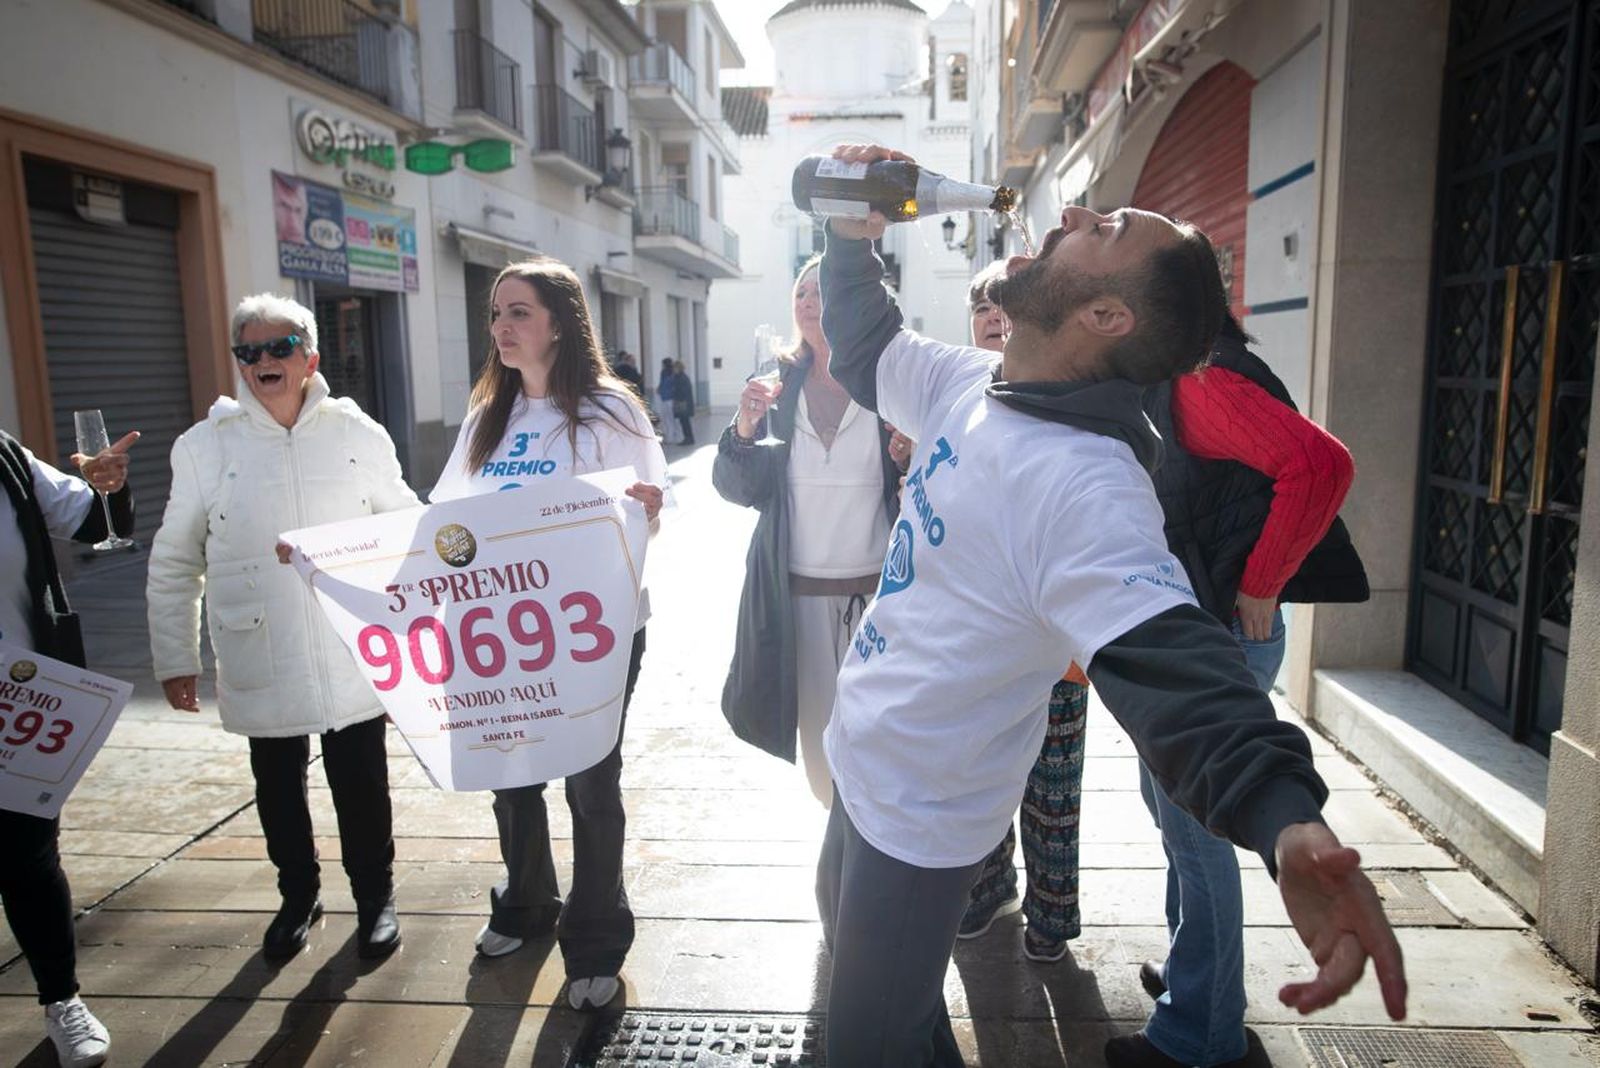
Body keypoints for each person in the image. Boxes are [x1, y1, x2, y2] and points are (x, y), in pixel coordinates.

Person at [814, 143, 1406, 1067]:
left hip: (921, 813)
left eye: (1108, 228)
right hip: (859, 764)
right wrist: (852, 238)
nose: (1076, 215)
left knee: (864, 1047)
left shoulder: (1087, 485)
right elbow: (866, 346)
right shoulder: (973, 382)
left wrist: (1284, 814)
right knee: (897, 1015)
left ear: (1103, 316)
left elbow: (1176, 666)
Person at [1118, 311, 1368, 1068]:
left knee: (1197, 842)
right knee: (1175, 823)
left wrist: (1263, 583)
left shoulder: (1200, 378)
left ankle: (1201, 1036)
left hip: (1223, 633)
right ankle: (1194, 976)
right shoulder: (1179, 371)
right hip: (1202, 632)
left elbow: (1321, 466)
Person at [148, 294, 419, 966]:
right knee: (277, 788)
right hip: (259, 645)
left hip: (348, 644)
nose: (264, 360)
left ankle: (375, 899)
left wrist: (416, 638)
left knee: (362, 783)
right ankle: (298, 897)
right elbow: (176, 558)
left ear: (310, 358)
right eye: (249, 350)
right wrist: (175, 656)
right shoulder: (204, 447)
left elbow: (406, 529)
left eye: (280, 346)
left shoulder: (357, 433)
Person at [430, 258, 666, 1014]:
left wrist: (647, 510)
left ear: (559, 323)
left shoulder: (610, 412)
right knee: (511, 771)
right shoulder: (486, 417)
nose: (502, 326)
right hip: (506, 634)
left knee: (591, 782)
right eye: (497, 313)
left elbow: (646, 514)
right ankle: (527, 903)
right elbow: (444, 521)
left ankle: (595, 943)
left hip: (595, 634)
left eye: (519, 312)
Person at [713, 256, 902, 807]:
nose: (808, 301)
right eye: (800, 292)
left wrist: (908, 455)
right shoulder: (778, 384)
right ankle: (839, 838)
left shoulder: (886, 378)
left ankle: (870, 842)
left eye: (821, 290)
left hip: (882, 598)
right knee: (820, 742)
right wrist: (746, 427)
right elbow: (738, 488)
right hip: (799, 596)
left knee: (883, 738)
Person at [943, 262, 1090, 965]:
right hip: (974, 642)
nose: (995, 316)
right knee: (980, 775)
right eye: (983, 305)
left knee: (1053, 788)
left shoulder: (1074, 398)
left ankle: (1052, 913)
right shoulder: (949, 400)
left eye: (1009, 304)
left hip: (1053, 638)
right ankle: (988, 886)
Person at [1, 427, 136, 1068]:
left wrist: (108, 486)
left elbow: (94, 522)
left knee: (29, 857)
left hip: (18, 703)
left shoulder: (4, 457)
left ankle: (62, 1000)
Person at [672, 360, 696, 445]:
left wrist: (677, 396)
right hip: (683, 403)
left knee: (685, 422)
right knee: (684, 422)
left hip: (683, 403)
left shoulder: (682, 378)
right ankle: (688, 438)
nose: (674, 369)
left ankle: (688, 438)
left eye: (675, 368)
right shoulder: (680, 377)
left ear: (678, 368)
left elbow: (683, 391)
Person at [656, 357, 679, 443]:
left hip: (668, 398)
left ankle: (670, 437)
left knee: (668, 418)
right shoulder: (666, 373)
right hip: (666, 397)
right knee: (668, 418)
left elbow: (665, 384)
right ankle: (669, 436)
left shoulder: (671, 374)